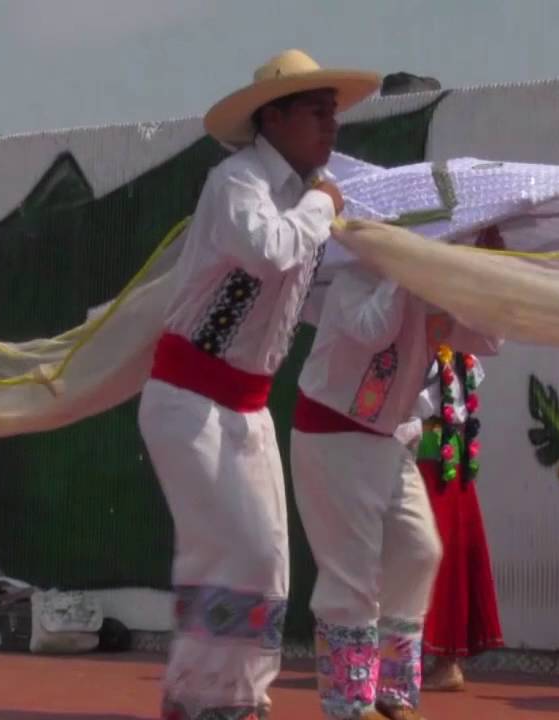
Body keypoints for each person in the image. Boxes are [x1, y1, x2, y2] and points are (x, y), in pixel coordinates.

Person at [137, 49, 379, 720]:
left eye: (333, 112)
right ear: (273, 116)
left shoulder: (305, 198)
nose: (332, 125)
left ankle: (224, 696)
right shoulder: (238, 181)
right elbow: (269, 250)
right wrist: (321, 207)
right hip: (189, 398)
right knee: (232, 547)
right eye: (317, 111)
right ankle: (209, 696)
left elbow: (307, 297)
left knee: (266, 558)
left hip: (245, 405)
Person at [290, 257, 499, 720]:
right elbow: (373, 330)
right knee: (352, 571)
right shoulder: (354, 280)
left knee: (420, 550)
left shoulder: (428, 283)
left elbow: (485, 339)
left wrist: (488, 273)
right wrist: (408, 274)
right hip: (332, 434)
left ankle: (391, 689)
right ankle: (349, 704)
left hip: (387, 439)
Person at [417, 226, 507, 692]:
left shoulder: (453, 338)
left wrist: (493, 272)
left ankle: (441, 661)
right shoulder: (418, 324)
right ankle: (424, 660)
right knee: (425, 556)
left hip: (443, 462)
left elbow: (491, 339)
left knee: (442, 557)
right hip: (426, 457)